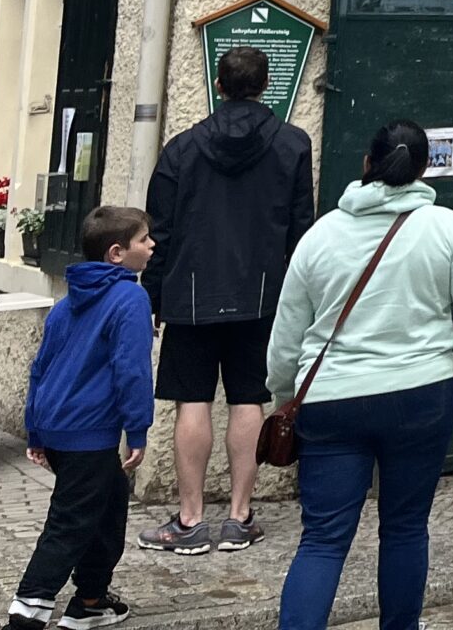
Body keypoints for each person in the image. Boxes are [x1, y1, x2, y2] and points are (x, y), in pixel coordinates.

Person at [267, 120, 453, 630]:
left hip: (331, 400)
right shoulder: (448, 229)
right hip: (422, 394)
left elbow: (287, 333)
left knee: (322, 539)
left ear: (366, 164)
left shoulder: (320, 236)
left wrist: (284, 395)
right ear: (424, 170)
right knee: (404, 527)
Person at [137, 44, 316, 555]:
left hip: (191, 295)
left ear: (218, 85)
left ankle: (190, 520)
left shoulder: (181, 149)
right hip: (262, 297)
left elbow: (160, 232)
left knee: (192, 401)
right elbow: (300, 230)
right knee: (248, 400)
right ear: (265, 85)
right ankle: (239, 516)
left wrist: (151, 297)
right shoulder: (293, 145)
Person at [6, 205, 156, 630]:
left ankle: (90, 600)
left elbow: (40, 369)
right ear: (116, 253)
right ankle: (25, 615)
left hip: (59, 427)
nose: (152, 245)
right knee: (69, 523)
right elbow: (132, 370)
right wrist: (137, 429)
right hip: (88, 433)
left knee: (108, 508)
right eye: (144, 239)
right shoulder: (131, 298)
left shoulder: (65, 303)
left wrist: (36, 430)